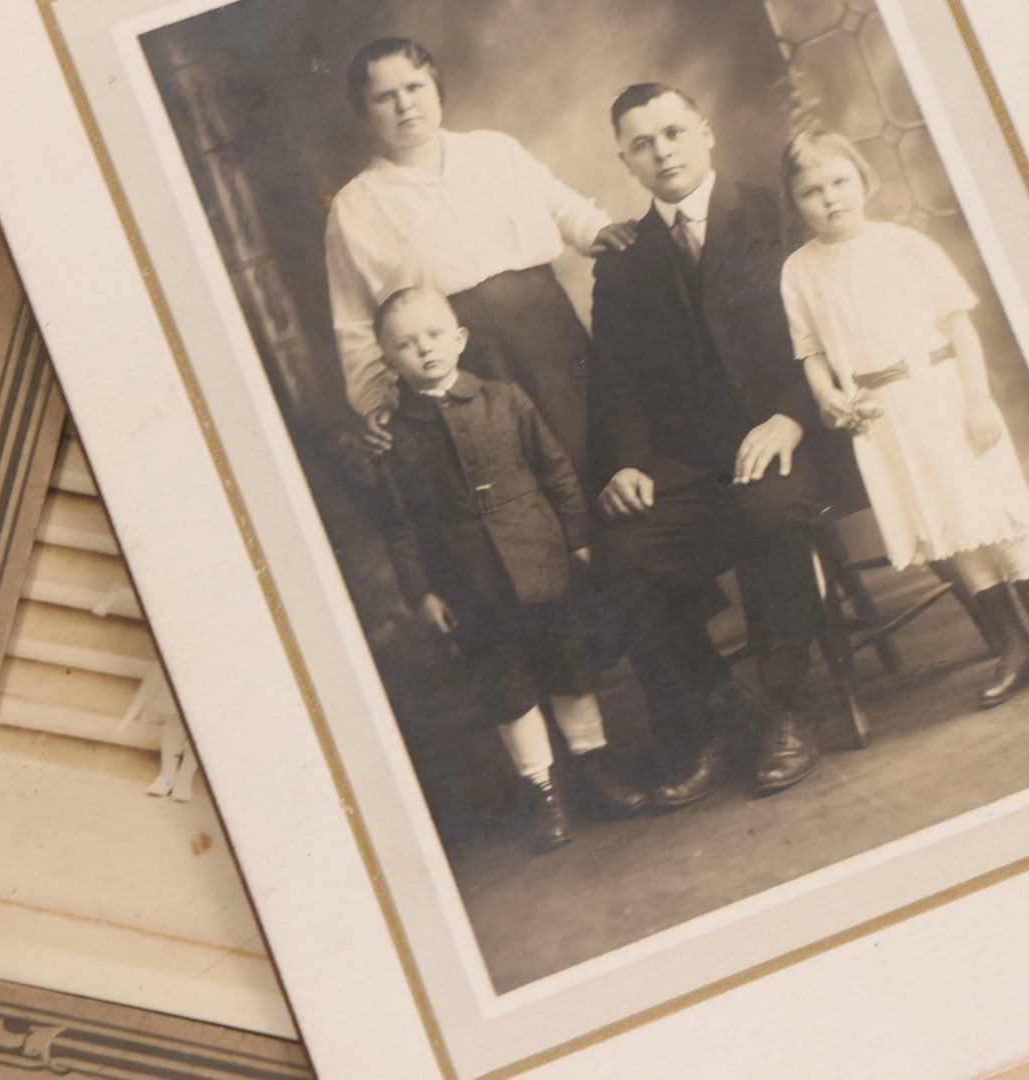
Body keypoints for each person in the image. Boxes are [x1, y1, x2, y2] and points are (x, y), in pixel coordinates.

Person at [590, 84, 849, 805]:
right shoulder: (623, 260)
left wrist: (794, 416)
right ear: (625, 160)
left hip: (790, 435)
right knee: (621, 550)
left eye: (673, 131)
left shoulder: (773, 212)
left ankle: (786, 709)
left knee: (768, 515)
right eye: (642, 143)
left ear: (704, 132)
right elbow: (615, 385)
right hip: (686, 463)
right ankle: (718, 706)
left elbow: (834, 326)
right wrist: (627, 462)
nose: (662, 150)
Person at [779, 129, 1029, 706]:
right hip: (881, 417)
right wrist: (825, 394)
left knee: (995, 515)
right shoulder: (799, 270)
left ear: (864, 179)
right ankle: (1010, 641)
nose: (830, 198)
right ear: (794, 202)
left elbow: (959, 327)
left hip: (940, 393)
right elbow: (810, 352)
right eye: (810, 191)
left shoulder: (903, 245)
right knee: (948, 529)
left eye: (840, 181)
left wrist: (977, 398)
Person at [373, 285, 648, 852]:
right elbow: (399, 524)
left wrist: (577, 541)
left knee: (569, 664)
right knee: (506, 683)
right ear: (388, 360)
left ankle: (594, 768)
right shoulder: (394, 437)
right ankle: (543, 791)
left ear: (459, 338)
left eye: (433, 335)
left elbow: (558, 473)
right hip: (468, 582)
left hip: (541, 560)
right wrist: (422, 592)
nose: (423, 350)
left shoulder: (506, 399)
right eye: (405, 344)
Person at [325, 36, 635, 475]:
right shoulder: (356, 205)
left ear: (436, 89)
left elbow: (563, 207)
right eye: (384, 97)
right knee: (518, 471)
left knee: (595, 447)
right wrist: (375, 398)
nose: (404, 105)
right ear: (363, 110)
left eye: (414, 87)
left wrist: (596, 229)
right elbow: (354, 323)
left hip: (548, 329)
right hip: (456, 355)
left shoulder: (492, 150)